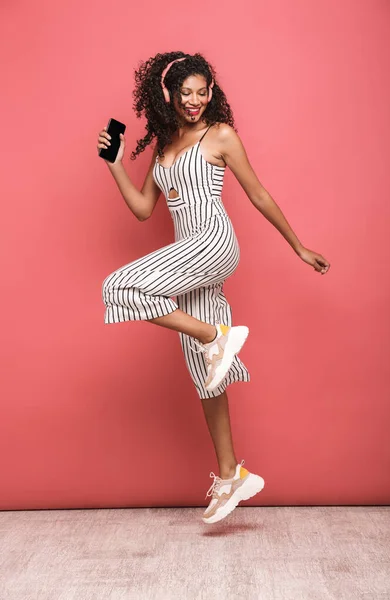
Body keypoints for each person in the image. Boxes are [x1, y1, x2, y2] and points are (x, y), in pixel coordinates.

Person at [97, 51, 330, 524]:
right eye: (187, 93)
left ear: (211, 92)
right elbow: (144, 209)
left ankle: (215, 336)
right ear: (170, 94)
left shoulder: (219, 134)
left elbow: (258, 192)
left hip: (212, 242)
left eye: (203, 92)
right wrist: (116, 163)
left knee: (118, 286)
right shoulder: (164, 143)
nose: (195, 101)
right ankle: (231, 475)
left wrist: (299, 246)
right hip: (188, 258)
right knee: (207, 374)